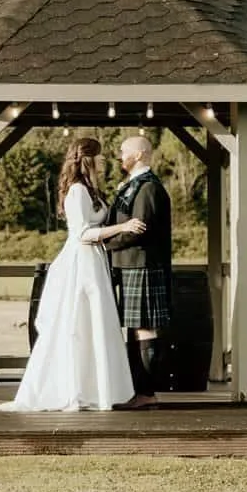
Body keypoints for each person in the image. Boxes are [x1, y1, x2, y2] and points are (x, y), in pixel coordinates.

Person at [0, 136, 133, 412]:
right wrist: (123, 227)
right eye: (100, 156)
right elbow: (83, 233)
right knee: (77, 327)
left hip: (94, 262)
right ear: (88, 159)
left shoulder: (91, 190)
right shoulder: (77, 192)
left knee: (94, 325)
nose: (105, 160)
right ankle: (74, 391)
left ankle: (96, 390)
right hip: (81, 263)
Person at [97, 133, 171, 409]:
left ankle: (146, 393)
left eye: (123, 151)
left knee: (144, 329)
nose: (119, 155)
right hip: (128, 265)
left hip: (142, 265)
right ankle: (137, 391)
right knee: (136, 329)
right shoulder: (134, 185)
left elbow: (140, 229)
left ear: (138, 155)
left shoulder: (149, 187)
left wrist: (103, 243)